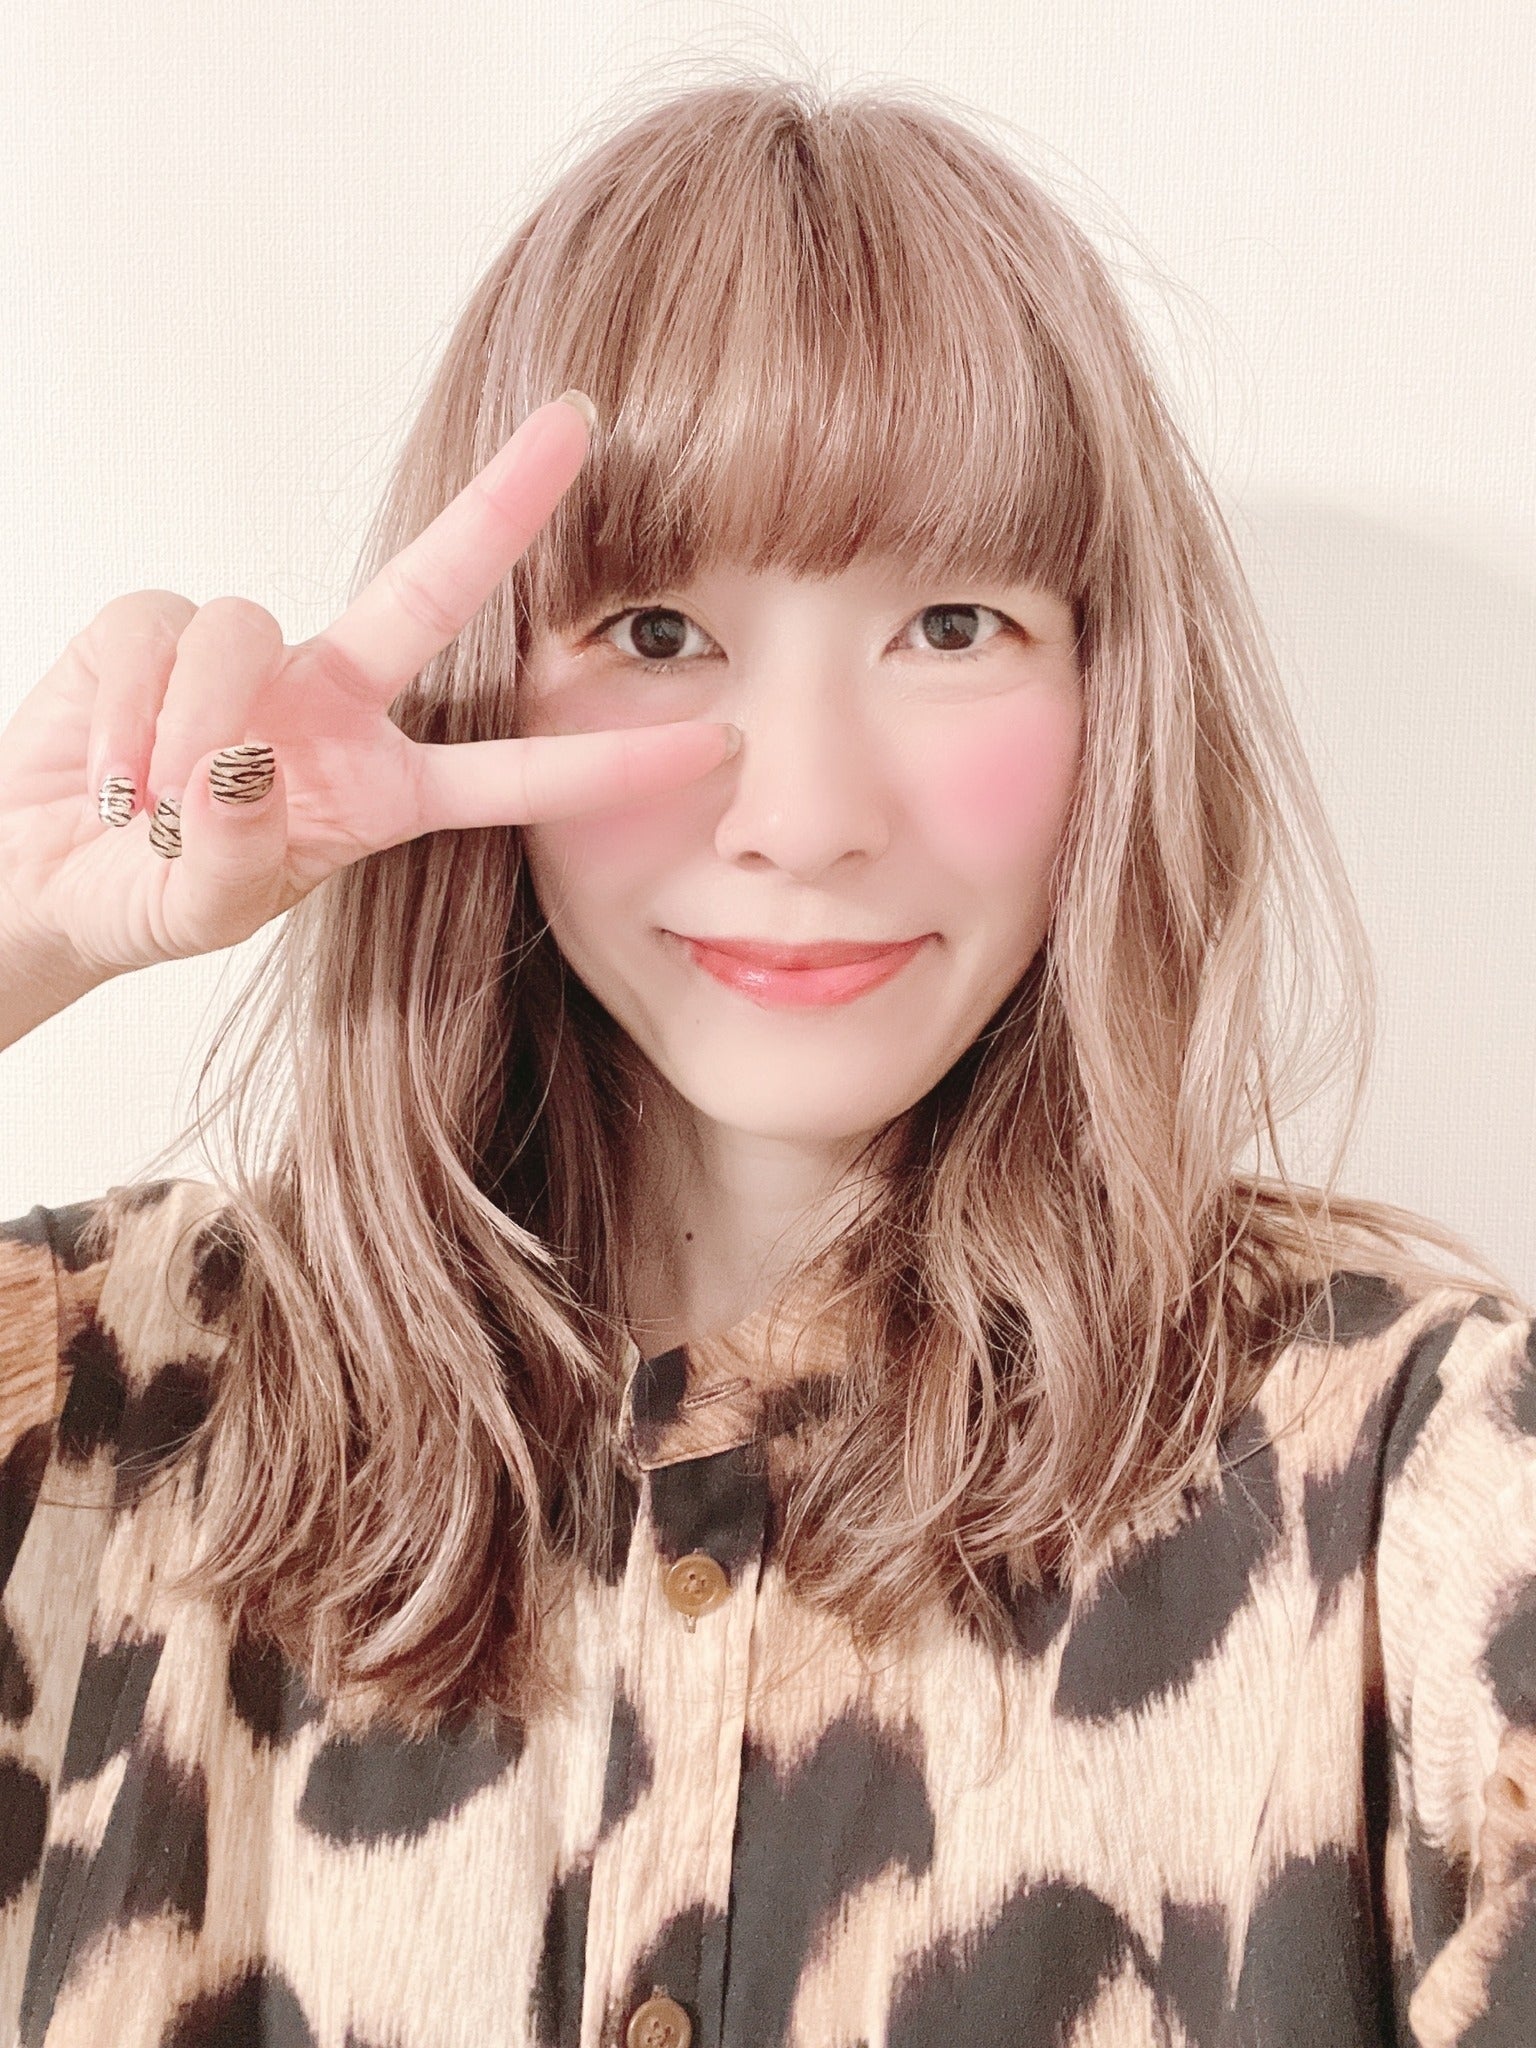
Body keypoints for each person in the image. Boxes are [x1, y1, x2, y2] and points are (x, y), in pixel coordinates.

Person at [0, 70, 1530, 2048]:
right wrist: (25, 929)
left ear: (1110, 693)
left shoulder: (1410, 1479)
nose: (803, 817)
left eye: (951, 625)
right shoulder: (111, 1417)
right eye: (655, 631)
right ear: (472, 689)